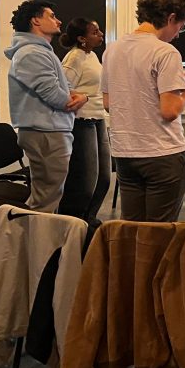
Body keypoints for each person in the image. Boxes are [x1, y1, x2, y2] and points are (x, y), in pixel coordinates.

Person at [101, 0, 185, 222]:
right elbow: (169, 111)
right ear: (171, 18)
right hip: (161, 153)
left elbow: (109, 104)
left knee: (132, 227)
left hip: (125, 153)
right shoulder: (165, 51)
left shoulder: (112, 49)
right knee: (159, 232)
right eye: (180, 27)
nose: (177, 35)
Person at [4, 0, 87, 212]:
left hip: (49, 131)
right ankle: (29, 235)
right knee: (45, 202)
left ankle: (39, 234)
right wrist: (79, 99)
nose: (58, 21)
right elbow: (56, 96)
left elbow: (65, 87)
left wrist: (79, 96)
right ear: (36, 21)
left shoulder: (41, 51)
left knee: (49, 198)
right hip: (45, 133)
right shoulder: (32, 53)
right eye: (51, 16)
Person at [58, 18, 111, 221]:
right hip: (81, 122)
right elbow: (63, 89)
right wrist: (82, 98)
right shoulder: (74, 58)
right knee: (85, 182)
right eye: (95, 32)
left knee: (104, 178)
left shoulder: (92, 55)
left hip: (98, 118)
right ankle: (74, 223)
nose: (101, 35)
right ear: (82, 38)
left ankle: (90, 220)